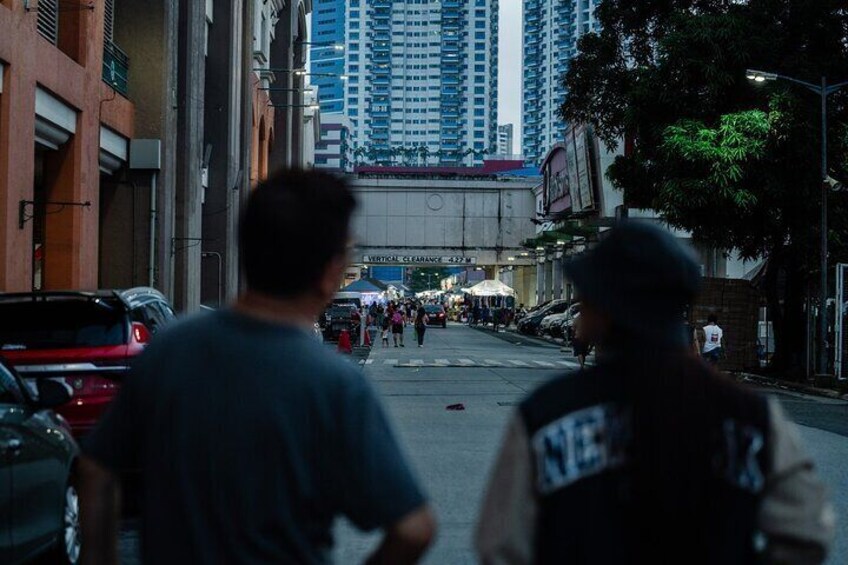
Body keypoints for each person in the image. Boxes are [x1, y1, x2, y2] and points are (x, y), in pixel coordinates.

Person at [78, 170, 435, 565]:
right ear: (331, 272)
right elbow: (413, 529)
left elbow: (95, 467)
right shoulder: (335, 384)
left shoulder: (168, 350)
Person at [476, 222, 833, 565]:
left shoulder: (546, 413)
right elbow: (807, 533)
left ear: (604, 309)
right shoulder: (752, 416)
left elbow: (501, 545)